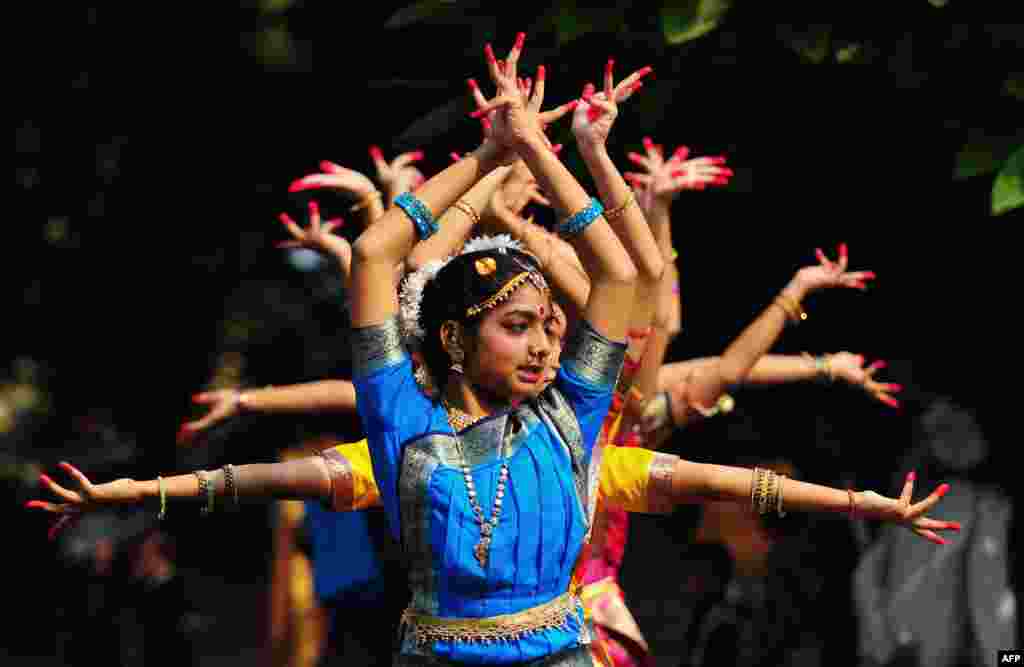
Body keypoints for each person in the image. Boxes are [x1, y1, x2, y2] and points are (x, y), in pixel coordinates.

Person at [29, 37, 958, 667]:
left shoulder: (577, 418)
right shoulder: (401, 424)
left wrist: (572, 149)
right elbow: (378, 259)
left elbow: (633, 285)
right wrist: (485, 155)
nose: (551, 340)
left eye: (555, 326)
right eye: (522, 324)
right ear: (453, 339)